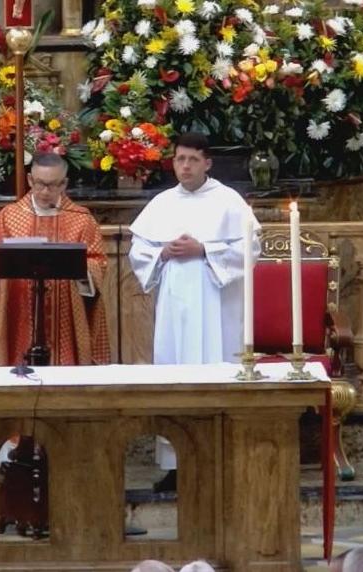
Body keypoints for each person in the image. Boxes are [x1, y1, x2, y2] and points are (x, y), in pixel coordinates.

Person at [128, 132, 261, 491]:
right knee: (175, 371)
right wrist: (164, 253)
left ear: (207, 163)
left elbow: (251, 246)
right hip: (175, 306)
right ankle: (175, 465)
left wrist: (204, 249)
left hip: (218, 305)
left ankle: (222, 458)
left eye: (191, 160)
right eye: (178, 159)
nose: (184, 167)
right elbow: (139, 250)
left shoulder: (229, 201)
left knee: (217, 367)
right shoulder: (162, 203)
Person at [0, 152, 110, 367]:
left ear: (64, 183)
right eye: (39, 184)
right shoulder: (6, 218)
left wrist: (85, 268)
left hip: (65, 318)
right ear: (29, 180)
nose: (45, 192)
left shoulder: (82, 221)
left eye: (53, 185)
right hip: (18, 314)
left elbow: (98, 262)